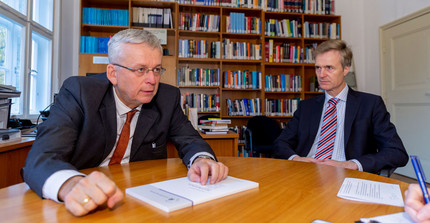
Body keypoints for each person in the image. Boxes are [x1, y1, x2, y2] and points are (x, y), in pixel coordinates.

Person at [22, 29, 228, 217]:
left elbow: (190, 139)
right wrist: (69, 184)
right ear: (113, 73)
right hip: (84, 202)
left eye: (157, 69)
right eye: (141, 69)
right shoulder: (79, 92)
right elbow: (41, 158)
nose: (152, 80)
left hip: (141, 201)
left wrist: (202, 159)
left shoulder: (167, 97)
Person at [272, 39, 408, 174]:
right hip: (306, 173)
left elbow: (397, 152)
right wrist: (296, 159)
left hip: (348, 175)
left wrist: (353, 164)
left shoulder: (370, 105)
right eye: (318, 68)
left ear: (345, 69)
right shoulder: (306, 107)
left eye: (329, 68)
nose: (321, 75)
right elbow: (281, 143)